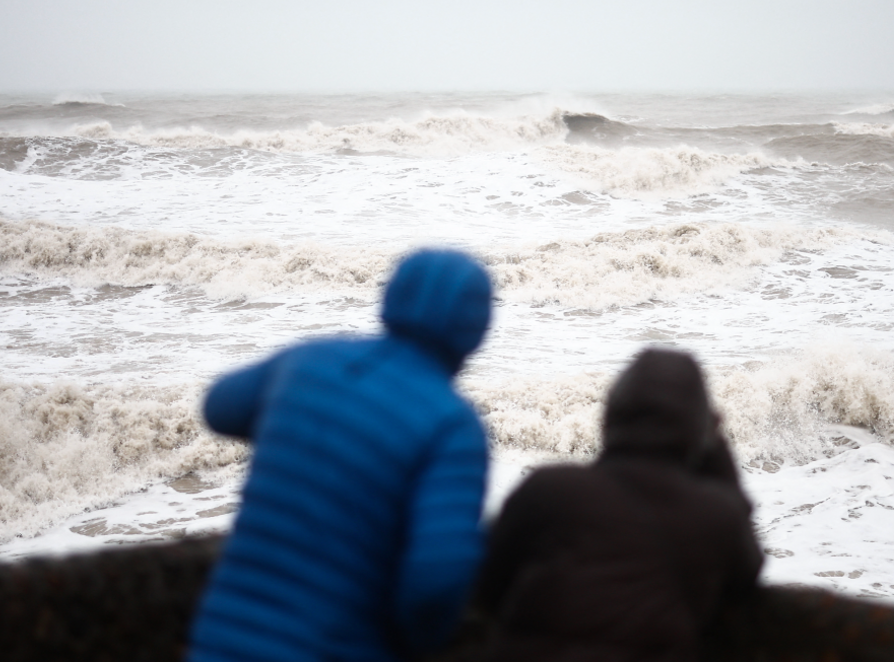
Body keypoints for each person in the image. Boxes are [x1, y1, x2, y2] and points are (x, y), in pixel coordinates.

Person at [188, 249, 494, 662]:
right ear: (475, 331)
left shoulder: (310, 363)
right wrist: (419, 644)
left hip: (220, 643)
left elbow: (220, 408)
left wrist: (299, 423)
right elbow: (436, 578)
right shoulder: (451, 426)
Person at [472, 348, 763, 662]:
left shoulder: (549, 489)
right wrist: (714, 443)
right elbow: (747, 575)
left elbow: (488, 591)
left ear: (611, 413)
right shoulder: (715, 516)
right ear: (697, 428)